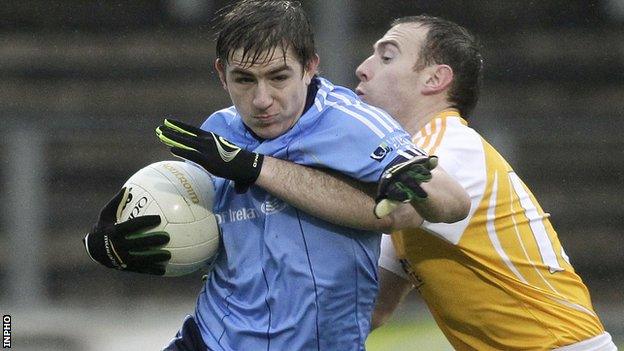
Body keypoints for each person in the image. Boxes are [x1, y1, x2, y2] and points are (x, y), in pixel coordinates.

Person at [83, 2, 470, 351]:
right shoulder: (218, 131)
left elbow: (453, 204)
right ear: (222, 74)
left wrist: (417, 188)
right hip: (211, 338)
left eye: (279, 77)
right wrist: (114, 244)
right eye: (244, 80)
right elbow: (202, 240)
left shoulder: (354, 123)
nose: (262, 99)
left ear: (311, 66)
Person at [356, 15, 618, 350]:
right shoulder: (417, 167)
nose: (363, 68)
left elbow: (381, 212)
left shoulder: (447, 148)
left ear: (435, 78)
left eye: (387, 56)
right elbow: (370, 310)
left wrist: (276, 174)